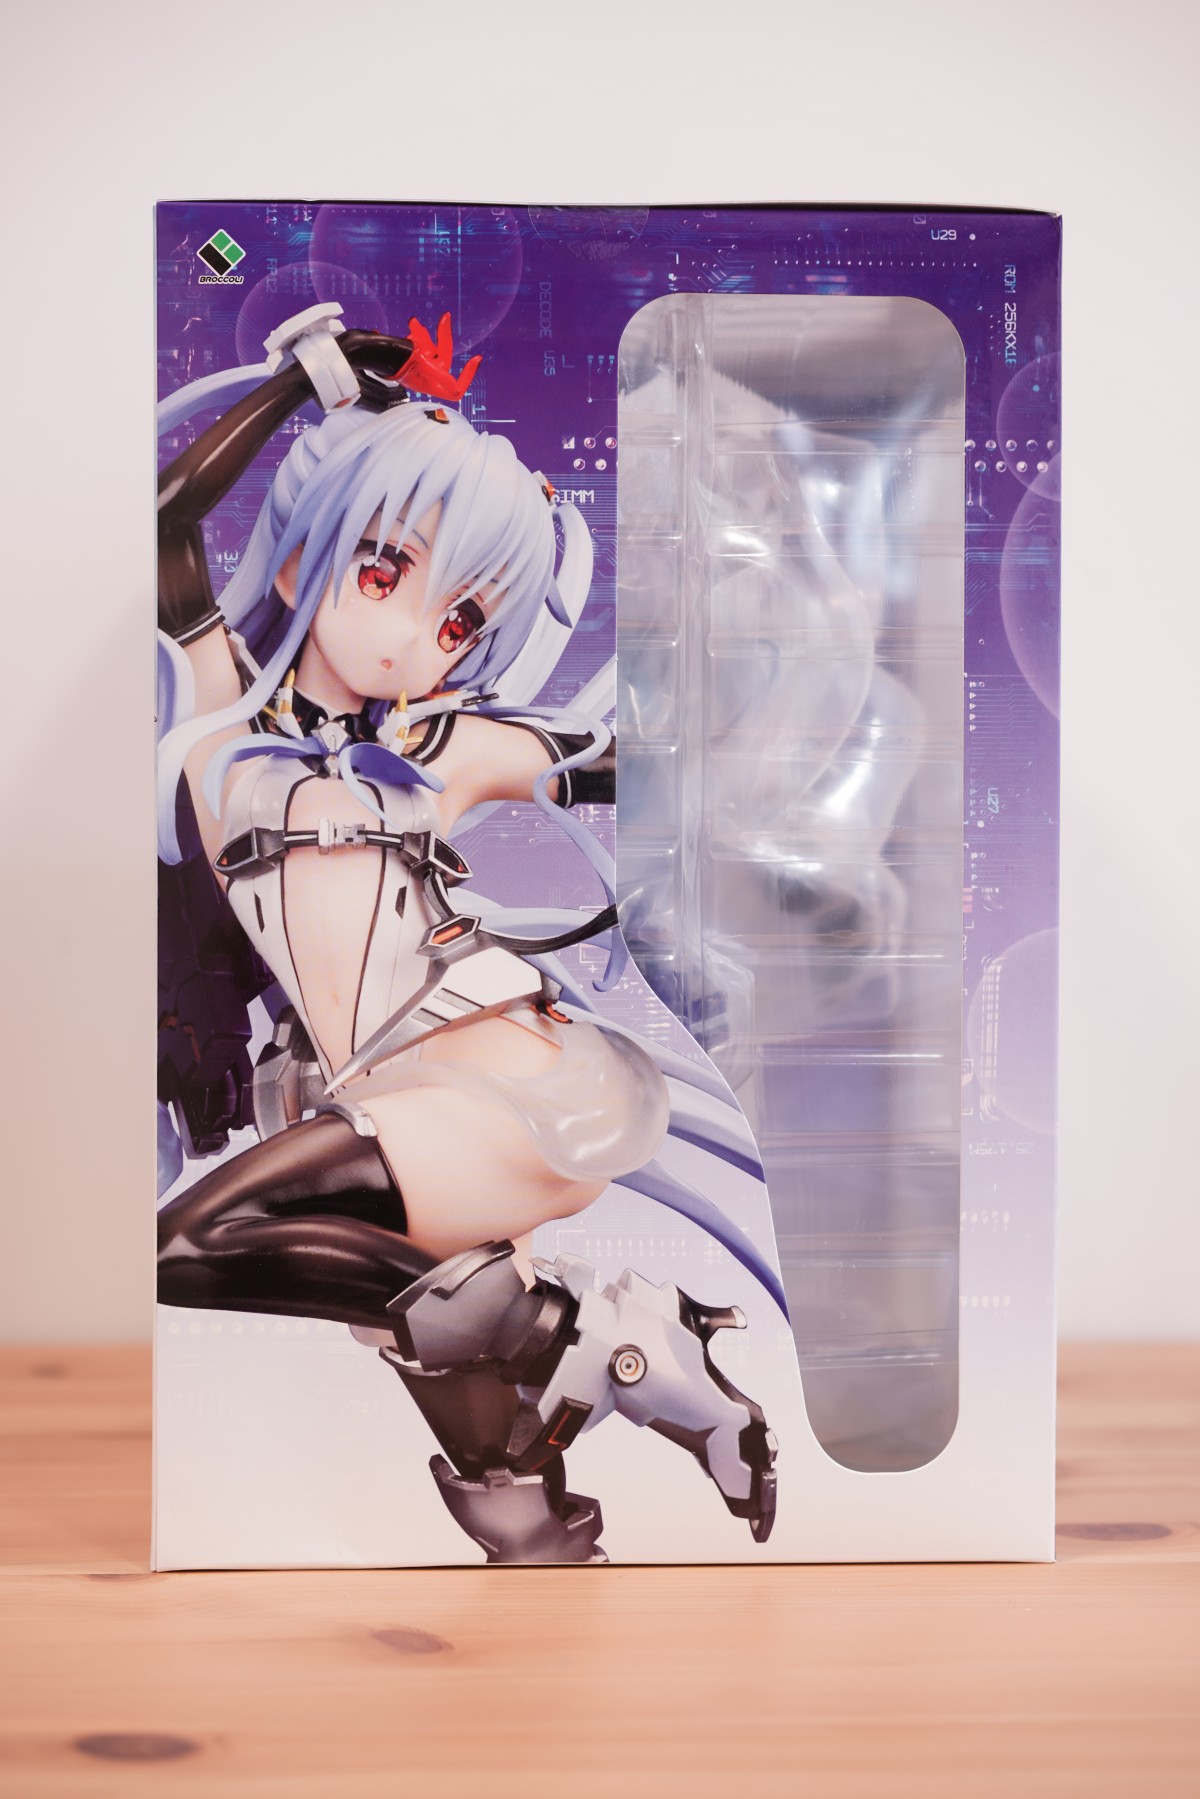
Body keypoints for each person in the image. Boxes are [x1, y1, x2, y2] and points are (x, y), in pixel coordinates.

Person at [156, 305, 779, 1563]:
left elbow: (634, 763)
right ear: (302, 560)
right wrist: (304, 387)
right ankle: (566, 1503)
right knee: (479, 1430)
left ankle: (608, 1334)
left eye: (456, 624)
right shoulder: (221, 725)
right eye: (385, 572)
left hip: (502, 1076)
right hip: (389, 1101)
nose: (410, 639)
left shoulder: (444, 740)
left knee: (188, 1245)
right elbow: (166, 524)